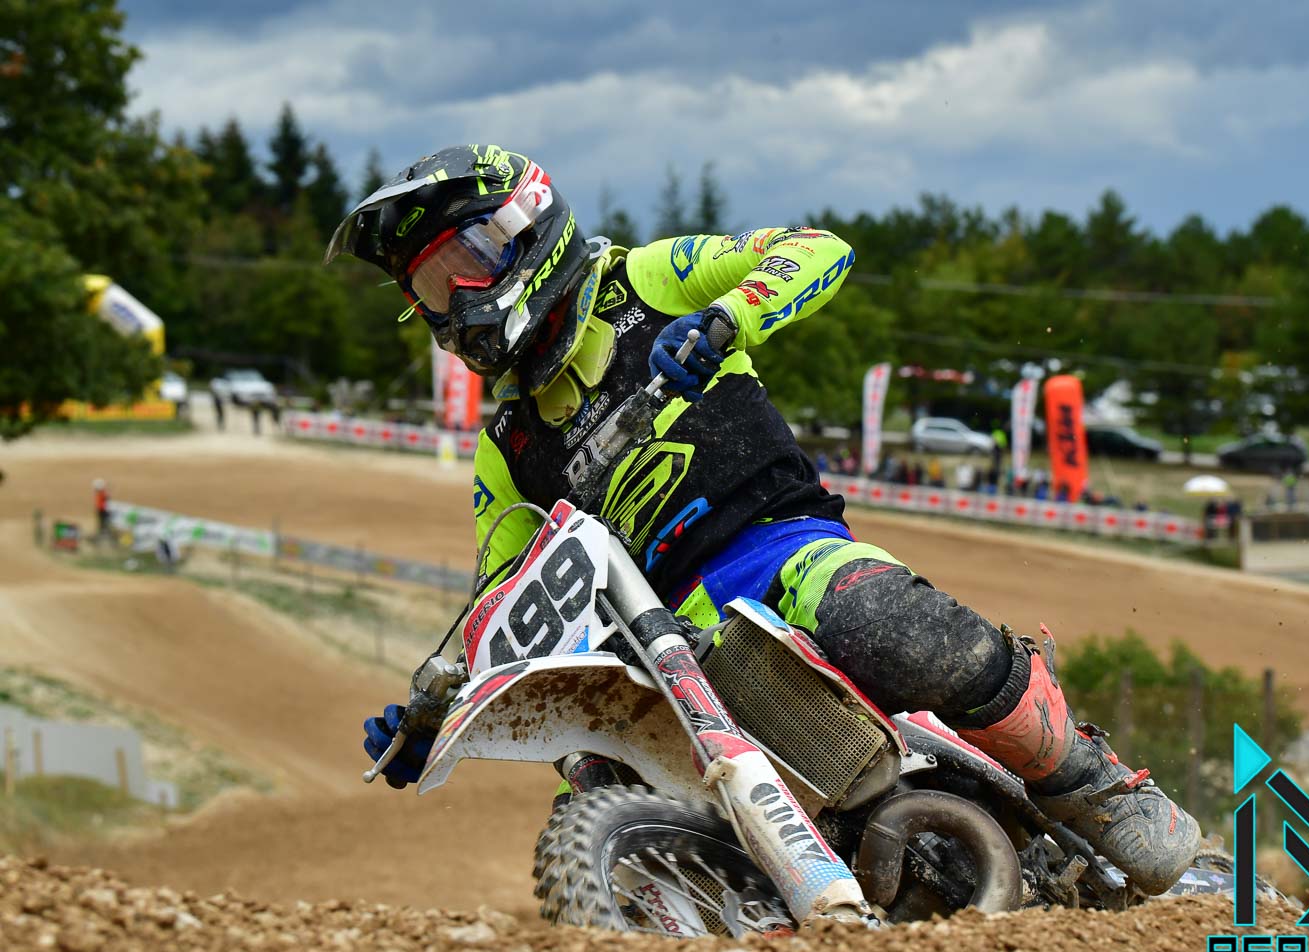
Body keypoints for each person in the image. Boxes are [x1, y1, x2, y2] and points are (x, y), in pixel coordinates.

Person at [330, 145, 1199, 895]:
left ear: (524, 227)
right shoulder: (507, 446)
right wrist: (435, 716)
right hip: (655, 646)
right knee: (590, 776)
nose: (455, 302)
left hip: (776, 553)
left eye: (463, 266)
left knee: (886, 624)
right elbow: (508, 599)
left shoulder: (643, 281)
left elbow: (816, 249)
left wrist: (723, 320)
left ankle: (1093, 784)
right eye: (431, 288)